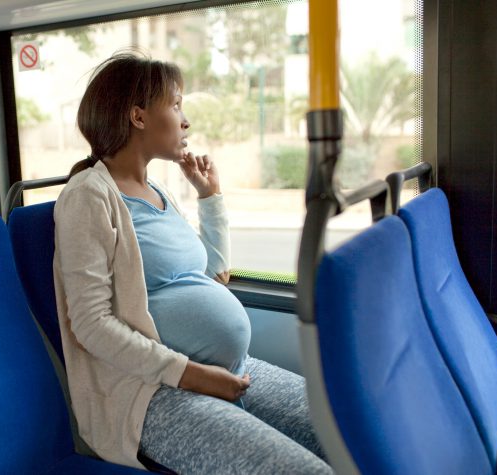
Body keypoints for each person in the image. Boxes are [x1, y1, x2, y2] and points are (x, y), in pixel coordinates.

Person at [52, 52, 332, 474]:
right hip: (151, 394)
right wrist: (189, 375)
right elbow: (89, 325)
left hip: (223, 370)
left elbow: (212, 278)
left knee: (346, 433)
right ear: (138, 116)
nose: (186, 121)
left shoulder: (157, 191)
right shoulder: (88, 196)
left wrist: (209, 197)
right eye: (176, 105)